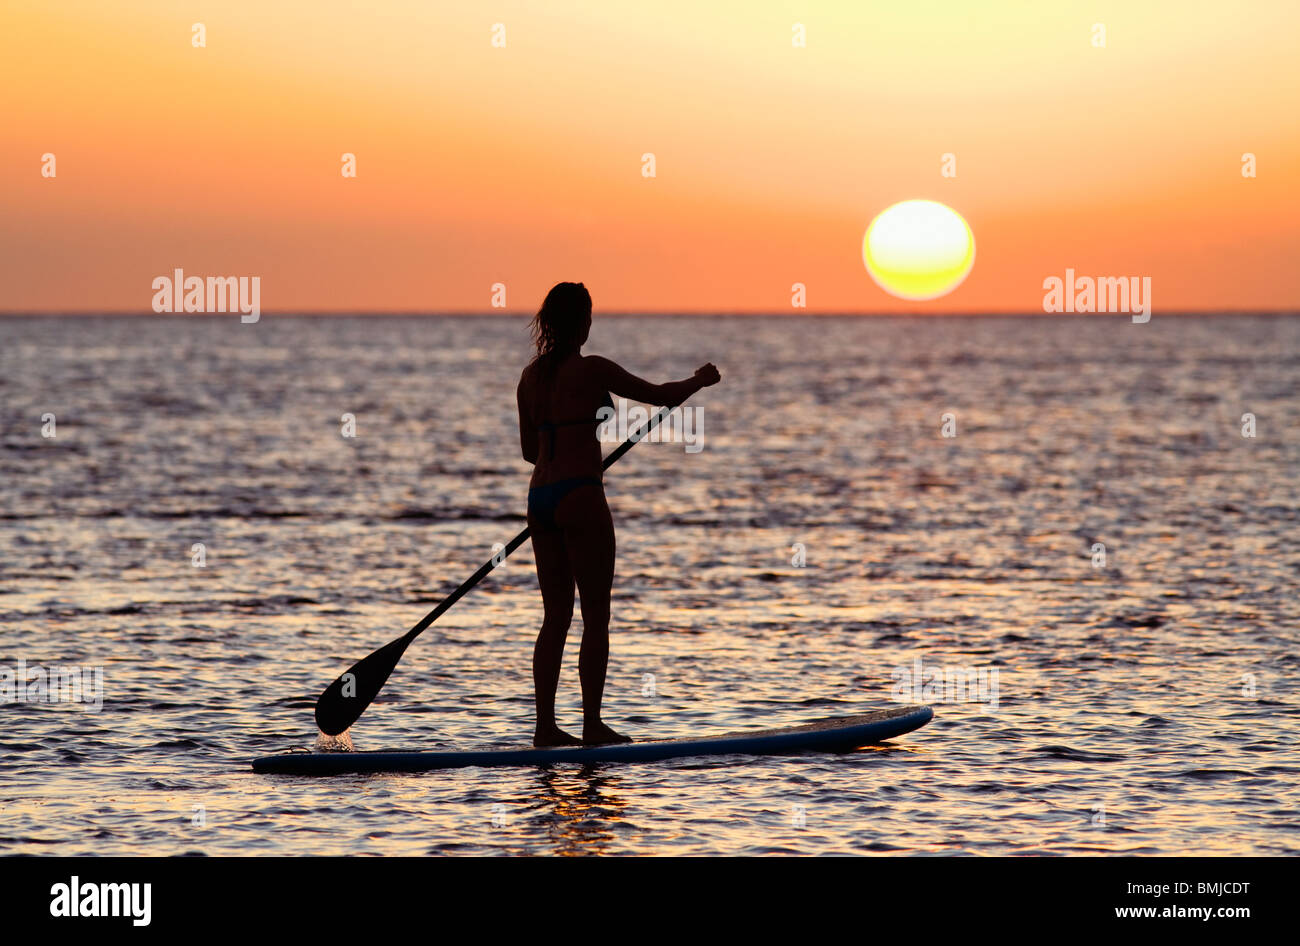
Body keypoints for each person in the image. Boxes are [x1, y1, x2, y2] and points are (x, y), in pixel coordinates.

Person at [516, 282, 720, 746]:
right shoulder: (591, 369)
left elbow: (531, 452)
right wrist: (699, 381)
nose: (591, 323)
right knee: (596, 617)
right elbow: (663, 397)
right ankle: (591, 726)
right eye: (589, 316)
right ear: (580, 323)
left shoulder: (529, 378)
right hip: (580, 496)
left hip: (540, 500)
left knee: (555, 618)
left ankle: (544, 728)